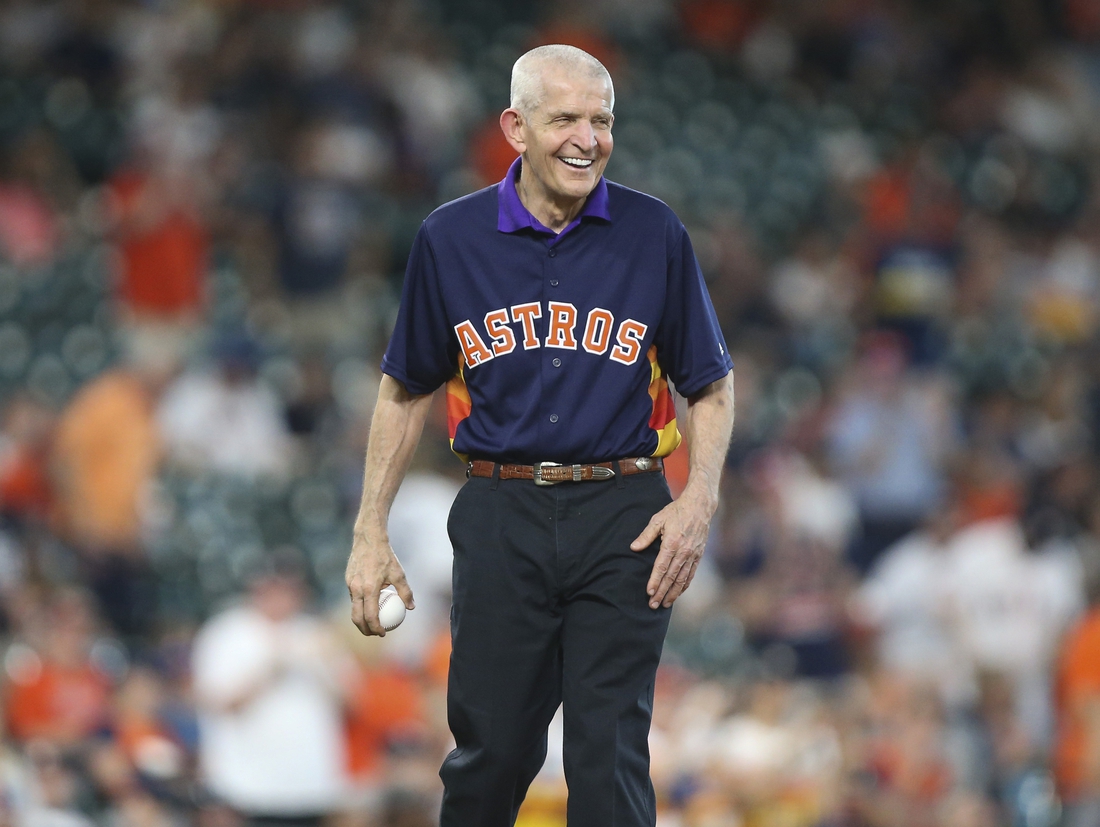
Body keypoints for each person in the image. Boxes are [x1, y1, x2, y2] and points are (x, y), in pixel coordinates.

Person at [345, 44, 735, 827]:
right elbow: (404, 387)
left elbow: (711, 384)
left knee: (607, 753)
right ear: (515, 127)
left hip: (623, 512)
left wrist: (698, 503)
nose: (587, 137)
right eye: (565, 119)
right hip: (501, 508)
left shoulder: (653, 231)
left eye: (602, 120)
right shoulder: (450, 238)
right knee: (491, 752)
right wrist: (368, 529)